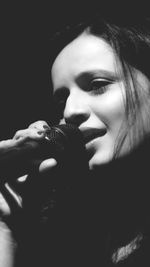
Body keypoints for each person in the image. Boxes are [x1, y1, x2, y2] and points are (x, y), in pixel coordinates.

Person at [1, 12, 150, 266]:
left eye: (97, 84)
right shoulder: (62, 232)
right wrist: (8, 224)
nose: (70, 112)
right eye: (61, 99)